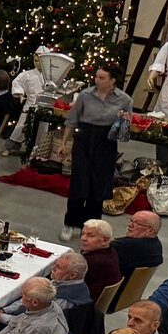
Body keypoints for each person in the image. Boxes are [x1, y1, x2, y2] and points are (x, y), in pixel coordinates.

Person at [64, 64, 133, 230]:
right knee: (79, 182)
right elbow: (72, 120)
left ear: (113, 80)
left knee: (99, 186)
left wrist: (123, 121)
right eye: (96, 76)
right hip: (84, 140)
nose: (97, 80)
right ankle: (71, 223)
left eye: (102, 78)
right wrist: (65, 142)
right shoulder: (85, 95)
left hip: (106, 142)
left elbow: (124, 134)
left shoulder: (124, 100)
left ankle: (91, 227)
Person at [79, 219, 124, 304]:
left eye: (90, 236)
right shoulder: (109, 251)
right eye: (83, 233)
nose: (83, 238)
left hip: (86, 303)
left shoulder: (94, 261)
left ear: (105, 240)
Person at [112, 210, 165, 279]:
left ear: (151, 231)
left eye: (137, 223)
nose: (130, 225)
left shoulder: (129, 246)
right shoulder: (156, 244)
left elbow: (102, 247)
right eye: (131, 220)